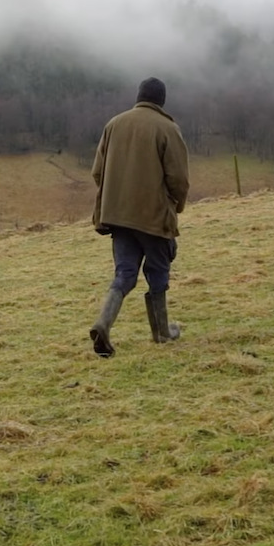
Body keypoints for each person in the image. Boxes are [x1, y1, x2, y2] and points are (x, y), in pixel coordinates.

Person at [88, 77, 190, 357]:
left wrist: (117, 199)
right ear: (162, 102)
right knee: (158, 273)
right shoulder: (168, 128)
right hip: (153, 216)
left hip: (117, 216)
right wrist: (176, 206)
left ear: (139, 97)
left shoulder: (113, 124)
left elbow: (97, 172)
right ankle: (161, 333)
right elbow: (178, 179)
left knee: (125, 274)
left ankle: (103, 324)